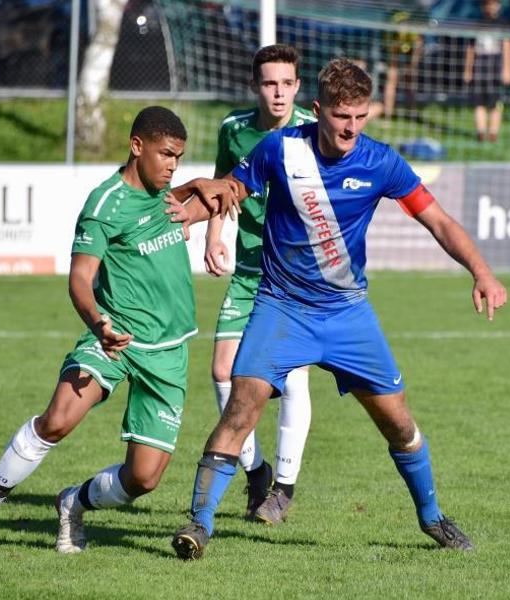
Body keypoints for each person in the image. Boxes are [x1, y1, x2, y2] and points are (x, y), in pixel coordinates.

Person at [168, 58, 508, 560]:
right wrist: (188, 214)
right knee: (242, 407)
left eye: (360, 117)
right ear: (318, 109)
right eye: (341, 117)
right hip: (281, 308)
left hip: (348, 315)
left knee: (398, 423)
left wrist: (481, 270)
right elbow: (229, 191)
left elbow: (437, 221)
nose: (351, 128)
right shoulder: (279, 150)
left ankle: (432, 518)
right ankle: (198, 526)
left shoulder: (381, 162)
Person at [0, 106, 238, 554]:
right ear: (137, 147)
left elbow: (221, 193)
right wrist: (99, 323)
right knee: (57, 420)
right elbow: (79, 278)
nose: (173, 165)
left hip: (170, 352)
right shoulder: (104, 204)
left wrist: (202, 186)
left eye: (179, 157)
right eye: (166, 154)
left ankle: (73, 501)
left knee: (144, 478)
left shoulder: (169, 195)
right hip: (116, 339)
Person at [204, 44, 318, 524]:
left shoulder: (312, 135)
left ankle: (283, 488)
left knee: (291, 377)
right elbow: (220, 182)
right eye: (268, 83)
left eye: (285, 84)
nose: (277, 92)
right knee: (222, 372)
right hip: (249, 269)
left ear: (297, 87)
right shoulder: (234, 128)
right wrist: (213, 235)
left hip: (294, 275)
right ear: (256, 86)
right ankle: (255, 470)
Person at [463, 0, 510, 142]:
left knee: (495, 102)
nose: (490, 7)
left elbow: (507, 47)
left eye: (493, 4)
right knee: (478, 102)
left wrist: (508, 69)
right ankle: (480, 132)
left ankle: (493, 133)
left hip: (496, 66)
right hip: (480, 65)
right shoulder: (477, 24)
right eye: (487, 4)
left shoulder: (503, 24)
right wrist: (468, 69)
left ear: (498, 6)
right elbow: (471, 48)